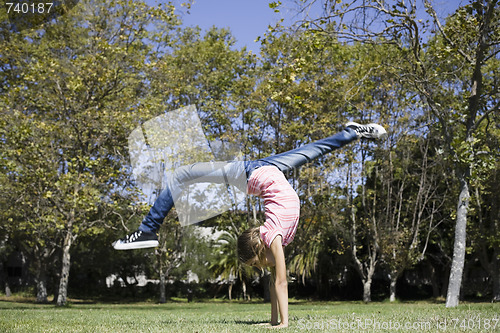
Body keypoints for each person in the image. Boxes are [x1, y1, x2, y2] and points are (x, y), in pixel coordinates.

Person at [112, 121, 387, 328]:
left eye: (255, 263)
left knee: (182, 174)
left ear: (258, 247)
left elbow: (281, 282)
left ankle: (148, 229)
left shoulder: (273, 235)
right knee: (313, 151)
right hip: (269, 170)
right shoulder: (275, 237)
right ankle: (352, 132)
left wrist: (285, 324)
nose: (259, 267)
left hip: (250, 173)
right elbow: (273, 283)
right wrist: (272, 322)